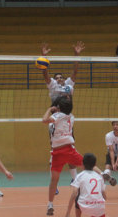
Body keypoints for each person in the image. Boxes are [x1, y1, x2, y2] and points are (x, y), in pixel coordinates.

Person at [42, 96, 116, 216]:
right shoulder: (71, 116)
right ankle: (103, 174)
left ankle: (50, 204)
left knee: (54, 180)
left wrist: (49, 109)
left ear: (58, 107)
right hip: (69, 148)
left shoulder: (57, 116)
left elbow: (44, 120)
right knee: (88, 165)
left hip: (57, 152)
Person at [41, 42, 85, 193]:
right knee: (54, 148)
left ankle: (75, 178)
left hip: (67, 118)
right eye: (57, 77)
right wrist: (44, 57)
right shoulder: (52, 86)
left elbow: (75, 71)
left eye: (61, 77)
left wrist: (77, 54)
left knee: (70, 147)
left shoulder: (68, 85)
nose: (59, 79)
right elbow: (45, 74)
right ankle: (55, 184)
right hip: (54, 119)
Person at [65, 153, 106, 217]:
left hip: (84, 206)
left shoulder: (79, 176)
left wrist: (68, 212)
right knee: (98, 210)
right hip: (99, 207)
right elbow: (104, 196)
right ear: (95, 165)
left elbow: (74, 193)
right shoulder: (100, 177)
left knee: (77, 195)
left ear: (82, 164)